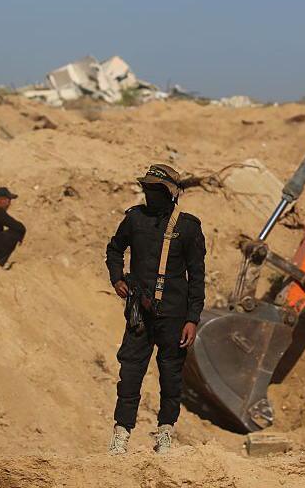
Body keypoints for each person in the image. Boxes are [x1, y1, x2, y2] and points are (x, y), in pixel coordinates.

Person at [105, 164, 205, 455]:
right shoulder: (134, 219)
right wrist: (117, 278)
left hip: (174, 314)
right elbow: (114, 249)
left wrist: (192, 319)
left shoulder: (188, 227)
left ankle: (165, 432)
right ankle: (121, 434)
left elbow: (197, 276)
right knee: (131, 371)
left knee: (171, 374)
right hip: (139, 311)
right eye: (146, 188)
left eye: (156, 190)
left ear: (170, 193)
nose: (149, 194)